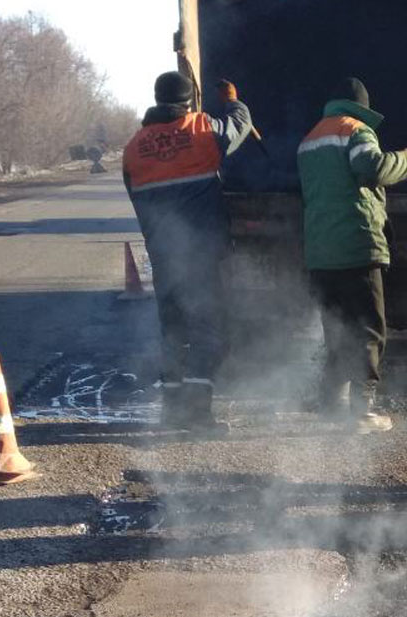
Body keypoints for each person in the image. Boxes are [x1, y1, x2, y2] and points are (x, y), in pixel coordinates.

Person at [123, 71, 253, 434]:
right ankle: (196, 417)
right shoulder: (201, 128)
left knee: (174, 332)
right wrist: (232, 101)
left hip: (164, 256)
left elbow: (138, 199)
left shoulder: (133, 148)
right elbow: (240, 126)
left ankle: (173, 414)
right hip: (200, 254)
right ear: (187, 100)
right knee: (208, 331)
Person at [297, 77, 407, 433]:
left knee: (335, 328)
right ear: (361, 108)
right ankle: (362, 412)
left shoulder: (309, 139)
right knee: (368, 329)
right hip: (357, 244)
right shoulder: (357, 130)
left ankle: (334, 406)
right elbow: (373, 168)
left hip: (320, 251)